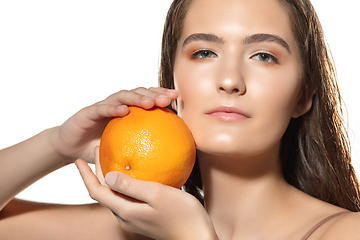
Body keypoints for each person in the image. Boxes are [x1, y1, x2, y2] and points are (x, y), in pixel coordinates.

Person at [0, 0, 359, 239]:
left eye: (263, 56)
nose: (230, 80)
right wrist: (57, 145)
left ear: (303, 94)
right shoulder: (132, 228)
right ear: (172, 79)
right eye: (204, 52)